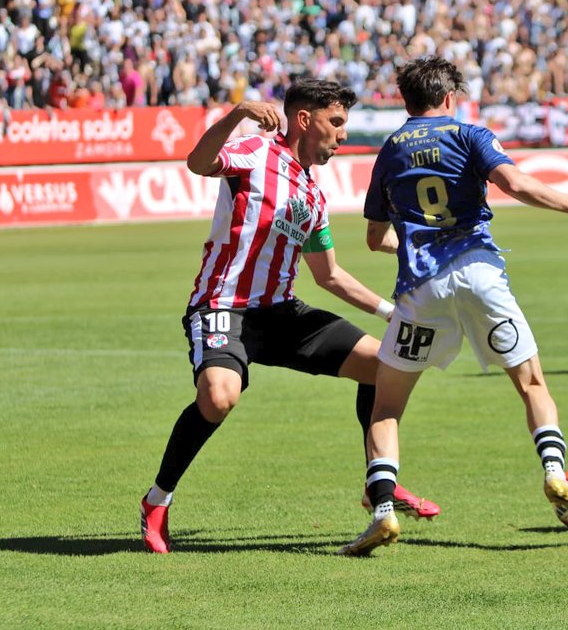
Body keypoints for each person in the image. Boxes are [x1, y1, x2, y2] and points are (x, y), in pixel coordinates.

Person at [140, 79, 439, 554]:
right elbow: (198, 163)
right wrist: (238, 112)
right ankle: (157, 500)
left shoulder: (312, 195)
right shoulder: (254, 151)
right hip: (223, 305)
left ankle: (378, 483)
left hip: (281, 313)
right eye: (336, 122)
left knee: (384, 366)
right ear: (306, 119)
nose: (343, 135)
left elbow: (331, 275)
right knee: (218, 399)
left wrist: (392, 314)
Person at [338, 56, 568, 556]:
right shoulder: (469, 135)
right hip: (480, 275)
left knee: (387, 407)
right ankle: (553, 472)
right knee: (531, 383)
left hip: (421, 289)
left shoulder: (390, 150)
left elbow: (375, 237)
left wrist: (419, 242)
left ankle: (382, 512)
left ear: (407, 100)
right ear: (448, 98)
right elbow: (517, 185)